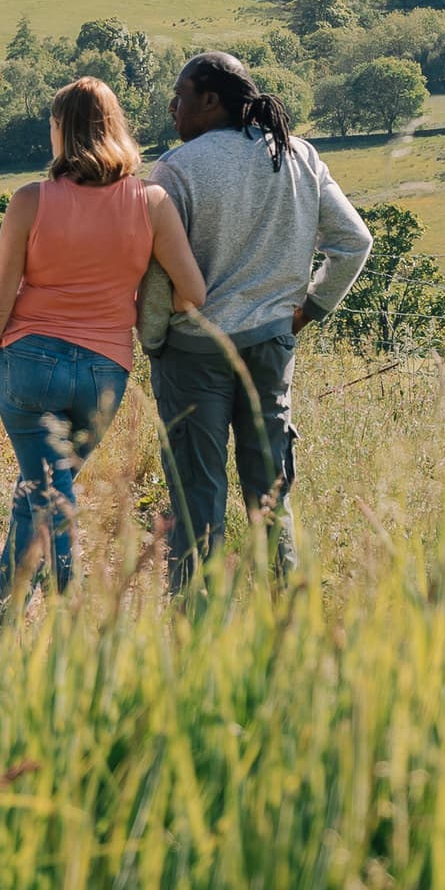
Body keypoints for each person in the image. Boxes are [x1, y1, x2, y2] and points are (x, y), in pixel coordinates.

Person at [0, 77, 209, 616]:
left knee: (47, 494)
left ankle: (55, 620)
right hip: (104, 371)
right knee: (45, 489)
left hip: (28, 364)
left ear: (59, 132)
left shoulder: (30, 202)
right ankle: (13, 623)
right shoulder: (152, 200)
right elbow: (193, 292)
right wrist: (134, 310)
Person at [146, 50, 369, 588]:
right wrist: (310, 309)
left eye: (180, 97)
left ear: (211, 100)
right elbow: (354, 241)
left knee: (197, 497)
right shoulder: (299, 157)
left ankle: (197, 633)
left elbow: (156, 274)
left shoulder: (176, 170)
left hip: (192, 354)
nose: (173, 108)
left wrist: (153, 338)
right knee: (270, 494)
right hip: (270, 348)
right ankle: (289, 628)